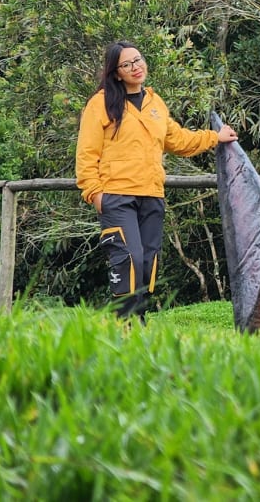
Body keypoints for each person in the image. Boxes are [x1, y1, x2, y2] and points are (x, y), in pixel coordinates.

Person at [75, 40, 238, 319]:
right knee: (129, 259)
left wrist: (215, 137)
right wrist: (95, 193)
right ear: (116, 73)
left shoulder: (155, 103)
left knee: (149, 262)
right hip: (116, 195)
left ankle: (138, 321)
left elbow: (178, 140)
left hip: (152, 194)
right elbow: (86, 153)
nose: (135, 67)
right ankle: (122, 324)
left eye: (137, 60)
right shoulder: (100, 104)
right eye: (126, 64)